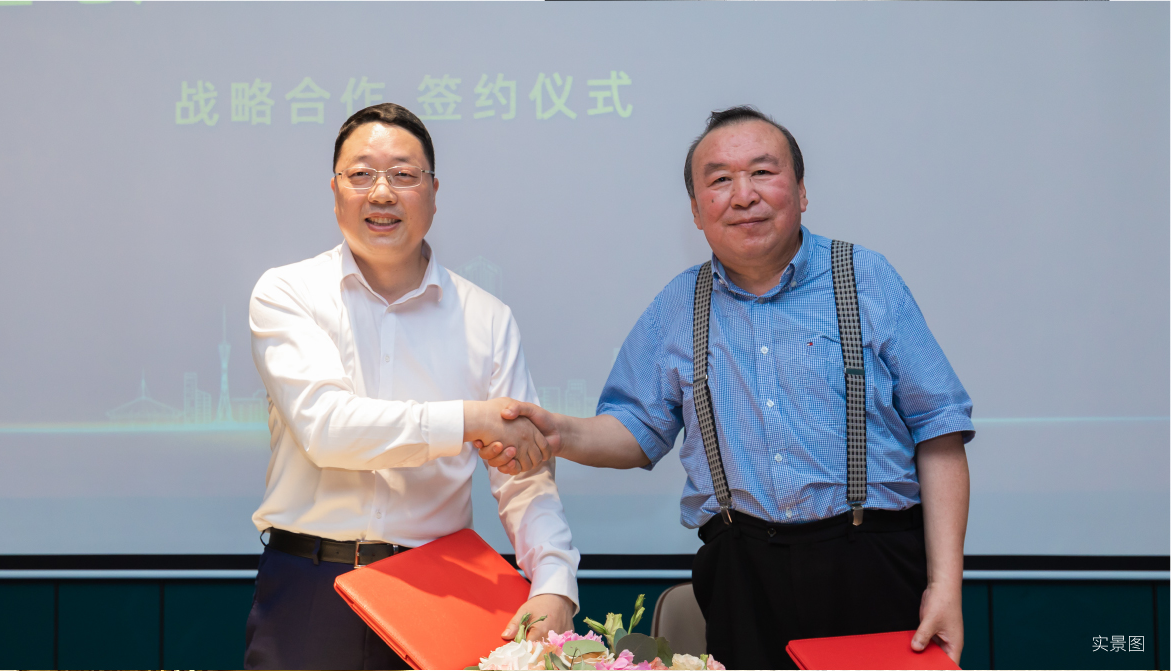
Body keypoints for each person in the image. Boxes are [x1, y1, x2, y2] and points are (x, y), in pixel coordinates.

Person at [481, 106, 973, 669]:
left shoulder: (866, 277)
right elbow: (636, 431)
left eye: (763, 172)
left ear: (801, 190)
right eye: (719, 180)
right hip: (743, 573)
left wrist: (946, 587)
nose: (743, 196)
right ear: (696, 211)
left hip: (876, 562)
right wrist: (558, 433)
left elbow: (939, 431)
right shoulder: (678, 305)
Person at [244, 102, 578, 670]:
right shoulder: (287, 293)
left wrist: (553, 580)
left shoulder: (487, 318)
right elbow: (327, 429)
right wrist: (471, 420)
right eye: (361, 174)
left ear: (433, 191)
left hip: (439, 593)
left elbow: (522, 472)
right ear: (334, 190)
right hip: (307, 589)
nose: (381, 193)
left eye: (403, 174)